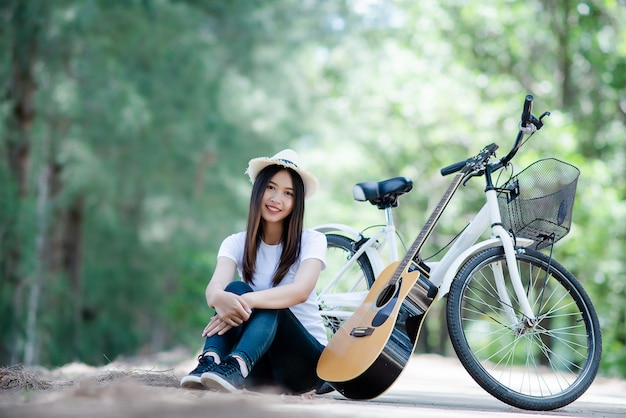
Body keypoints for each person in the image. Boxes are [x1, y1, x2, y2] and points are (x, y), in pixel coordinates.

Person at [180, 149, 328, 394]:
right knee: (234, 289)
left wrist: (246, 301)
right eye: (270, 187)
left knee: (272, 304)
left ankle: (235, 366)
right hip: (259, 364)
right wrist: (220, 298)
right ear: (258, 190)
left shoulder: (313, 241)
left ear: (296, 202)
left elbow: (300, 292)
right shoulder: (236, 242)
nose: (276, 199)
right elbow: (214, 289)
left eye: (288, 193)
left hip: (305, 365)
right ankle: (212, 361)